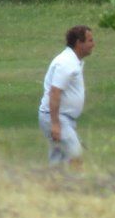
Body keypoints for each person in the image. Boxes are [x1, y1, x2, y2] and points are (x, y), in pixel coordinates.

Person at [38, 25, 95, 166]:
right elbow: (55, 92)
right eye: (90, 40)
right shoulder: (66, 63)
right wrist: (55, 124)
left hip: (62, 118)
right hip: (56, 117)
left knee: (58, 158)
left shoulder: (73, 61)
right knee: (76, 155)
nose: (93, 44)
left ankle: (54, 179)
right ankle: (79, 180)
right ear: (79, 43)